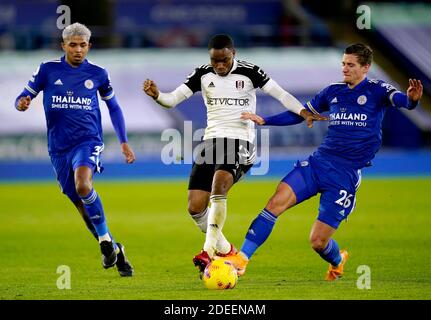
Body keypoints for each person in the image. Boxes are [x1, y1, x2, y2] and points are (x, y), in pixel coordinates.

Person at [217, 43, 423, 281]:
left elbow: (402, 100)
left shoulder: (377, 90)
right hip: (318, 163)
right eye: (343, 63)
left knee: (317, 241)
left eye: (350, 65)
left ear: (365, 67)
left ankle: (338, 260)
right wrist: (265, 120)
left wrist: (412, 101)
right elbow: (302, 113)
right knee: (275, 203)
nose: (344, 68)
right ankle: (242, 260)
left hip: (344, 175)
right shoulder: (332, 91)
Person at [142, 34, 325, 275]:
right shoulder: (202, 74)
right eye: (215, 61)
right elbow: (171, 99)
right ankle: (226, 250)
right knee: (195, 207)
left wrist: (303, 112)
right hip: (211, 141)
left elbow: (281, 94)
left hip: (240, 141)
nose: (219, 66)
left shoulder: (251, 72)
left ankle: (208, 251)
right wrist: (157, 95)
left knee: (219, 185)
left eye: (224, 60)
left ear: (233, 54)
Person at [14, 23, 136, 277]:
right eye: (73, 45)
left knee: (83, 185)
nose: (78, 50)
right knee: (81, 206)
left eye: (83, 45)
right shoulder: (47, 70)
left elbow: (113, 107)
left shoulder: (99, 74)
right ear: (64, 46)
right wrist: (22, 103)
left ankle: (104, 242)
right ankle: (115, 248)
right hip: (58, 148)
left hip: (87, 141)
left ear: (89, 46)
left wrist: (123, 141)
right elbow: (23, 97)